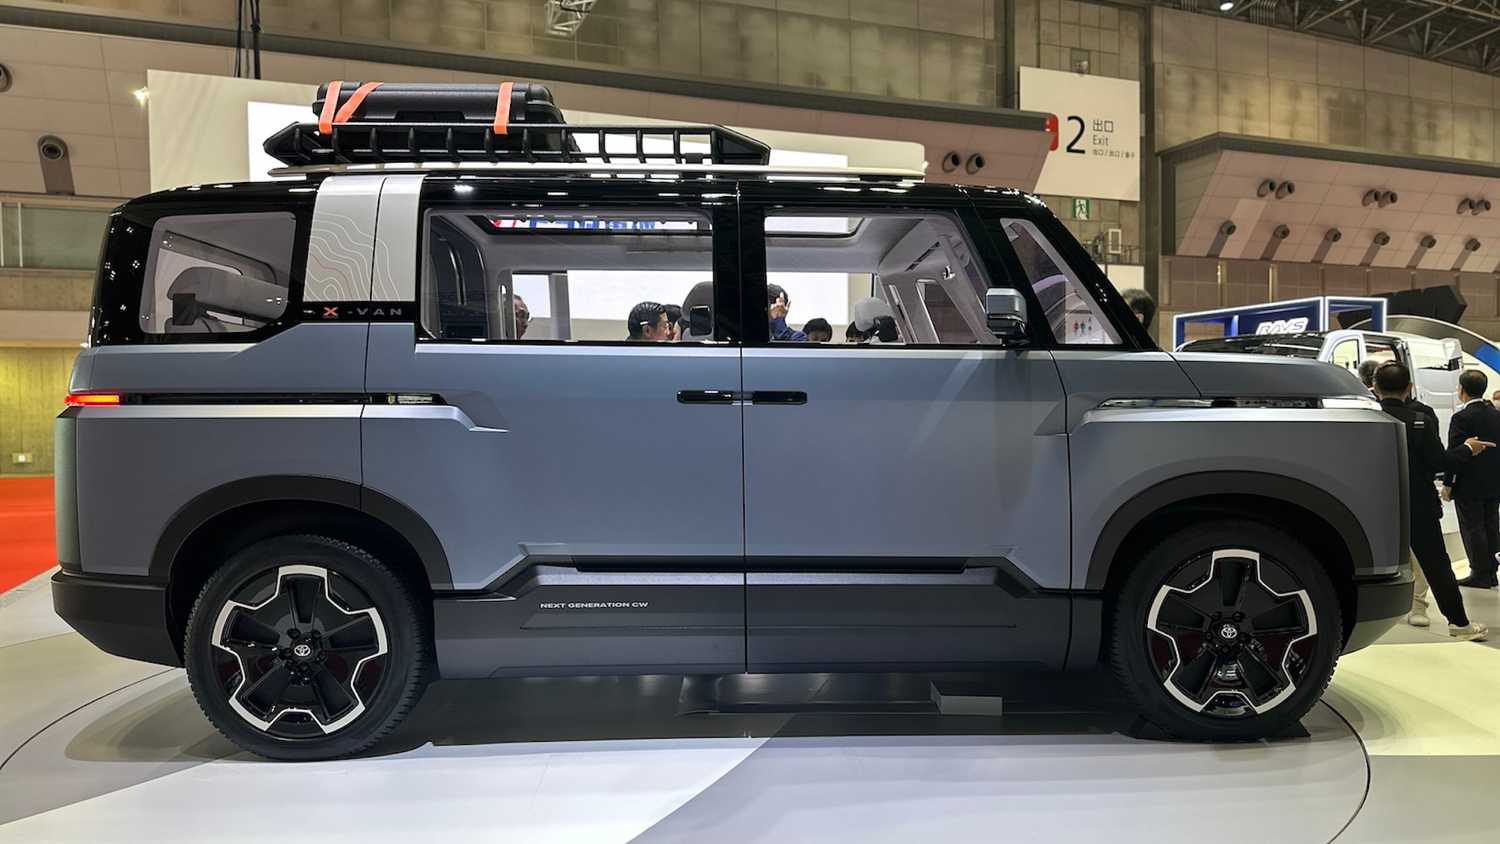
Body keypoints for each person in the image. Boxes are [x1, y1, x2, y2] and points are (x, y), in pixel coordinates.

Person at [1375, 363, 1490, 641]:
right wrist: (1467, 449)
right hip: (1419, 504)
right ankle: (1458, 623)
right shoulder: (1421, 420)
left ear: (1375, 388)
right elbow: (1439, 462)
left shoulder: (1365, 420)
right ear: (1409, 388)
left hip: (1374, 503)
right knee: (1436, 564)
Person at [1446, 368, 1500, 589]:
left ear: (1462, 390)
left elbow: (1455, 454)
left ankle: (1479, 573)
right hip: (1494, 482)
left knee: (1472, 528)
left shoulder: (1461, 418)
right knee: (1491, 524)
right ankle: (1492, 571)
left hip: (1468, 483)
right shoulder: (1496, 415)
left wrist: (1448, 484)